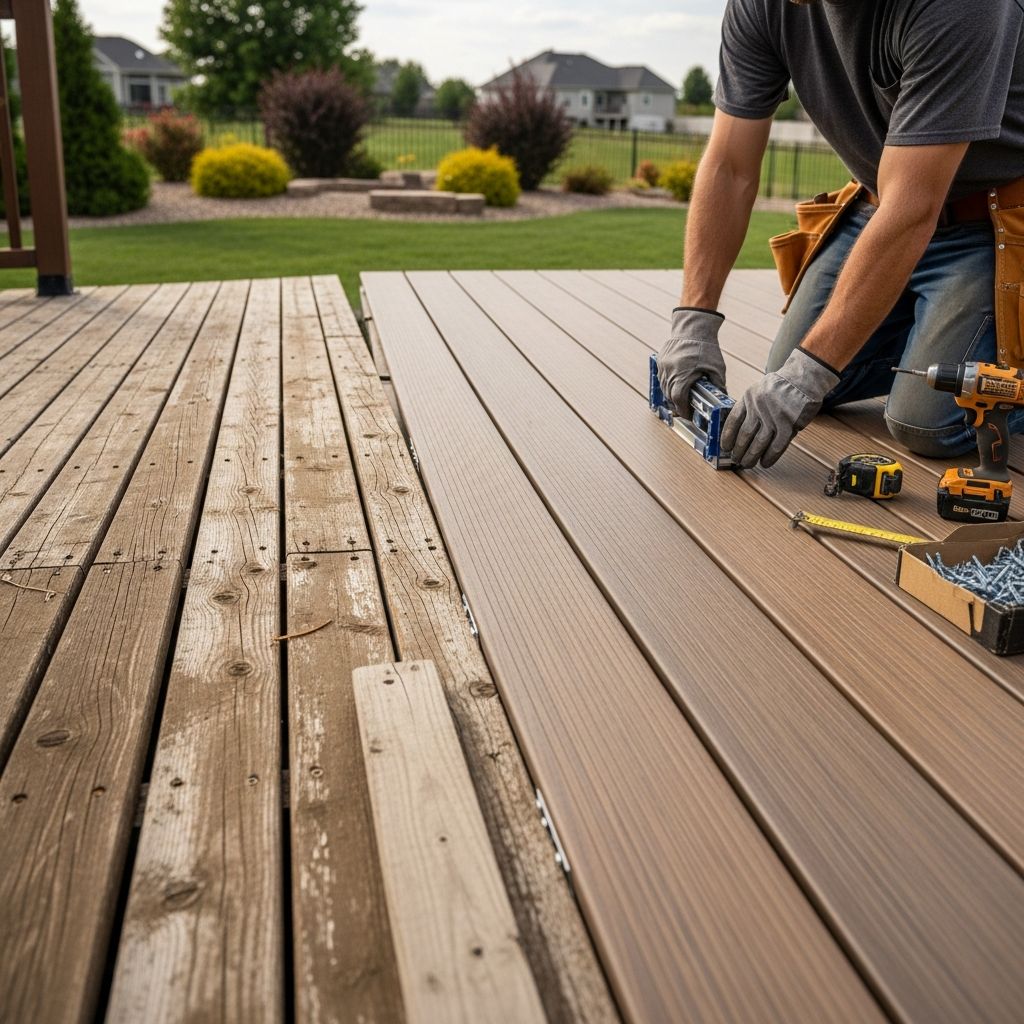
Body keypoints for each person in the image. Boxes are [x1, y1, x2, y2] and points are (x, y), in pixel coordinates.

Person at [658, 0, 1024, 469]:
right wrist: (694, 321)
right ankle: (932, 336)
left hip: (990, 224)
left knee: (926, 422)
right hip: (879, 209)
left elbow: (913, 208)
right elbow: (729, 167)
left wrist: (809, 373)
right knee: (785, 372)